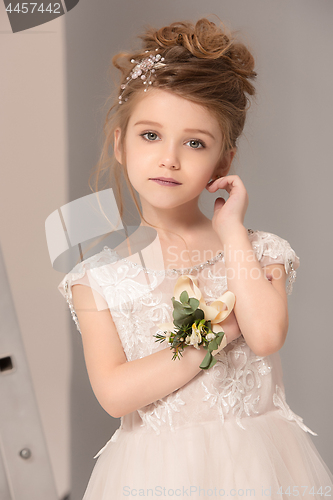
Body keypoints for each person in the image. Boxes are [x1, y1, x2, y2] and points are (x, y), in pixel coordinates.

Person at [58, 18, 333, 499]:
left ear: (222, 162)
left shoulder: (258, 250)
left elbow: (266, 335)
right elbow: (116, 393)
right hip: (154, 476)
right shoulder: (98, 279)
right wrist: (221, 332)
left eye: (194, 143)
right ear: (121, 145)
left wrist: (231, 234)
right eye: (150, 136)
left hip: (258, 465)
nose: (169, 158)